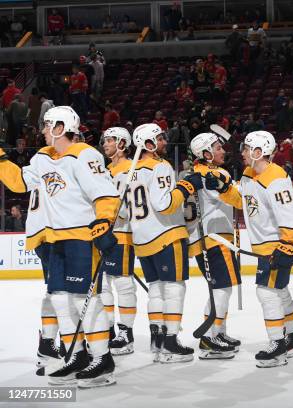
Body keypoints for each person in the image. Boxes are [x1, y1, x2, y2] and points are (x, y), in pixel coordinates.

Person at [0, 106, 121, 387]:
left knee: (83, 299)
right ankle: (75, 356)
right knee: (59, 299)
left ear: (59, 128)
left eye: (46, 126)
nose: (41, 131)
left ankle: (103, 359)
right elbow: (20, 183)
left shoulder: (85, 154)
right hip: (56, 239)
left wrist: (103, 222)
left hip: (81, 237)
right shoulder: (43, 157)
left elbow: (104, 193)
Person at [206, 130, 293, 368]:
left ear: (258, 152)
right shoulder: (250, 173)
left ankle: (278, 346)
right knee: (279, 291)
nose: (241, 153)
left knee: (267, 292)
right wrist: (224, 188)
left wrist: (287, 246)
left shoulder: (276, 178)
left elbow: (292, 217)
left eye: (246, 148)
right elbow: (242, 200)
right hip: (265, 246)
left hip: (278, 245)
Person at [128, 123, 198, 364]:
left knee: (156, 289)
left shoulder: (131, 170)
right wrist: (185, 187)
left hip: (142, 239)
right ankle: (170, 342)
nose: (165, 142)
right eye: (159, 138)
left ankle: (157, 340)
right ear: (148, 144)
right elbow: (165, 204)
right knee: (174, 288)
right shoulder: (161, 166)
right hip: (165, 234)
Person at [185, 133, 242, 359]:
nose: (222, 151)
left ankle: (219, 332)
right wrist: (232, 185)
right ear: (206, 154)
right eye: (217, 148)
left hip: (203, 239)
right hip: (215, 238)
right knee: (222, 288)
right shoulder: (214, 173)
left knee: (219, 287)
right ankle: (210, 337)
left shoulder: (194, 174)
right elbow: (238, 200)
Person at [100, 128, 138, 356]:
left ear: (122, 143)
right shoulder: (105, 170)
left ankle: (127, 333)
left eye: (110, 140)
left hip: (122, 233)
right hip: (102, 234)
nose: (105, 143)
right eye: (104, 140)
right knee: (103, 285)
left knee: (123, 284)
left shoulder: (132, 169)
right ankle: (108, 330)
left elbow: (133, 204)